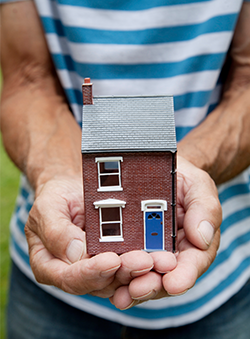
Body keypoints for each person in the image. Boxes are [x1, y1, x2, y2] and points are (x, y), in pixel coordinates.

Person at [0, 0, 250, 338]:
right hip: (54, 290)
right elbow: (27, 80)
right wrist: (56, 171)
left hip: (224, 281)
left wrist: (187, 167)